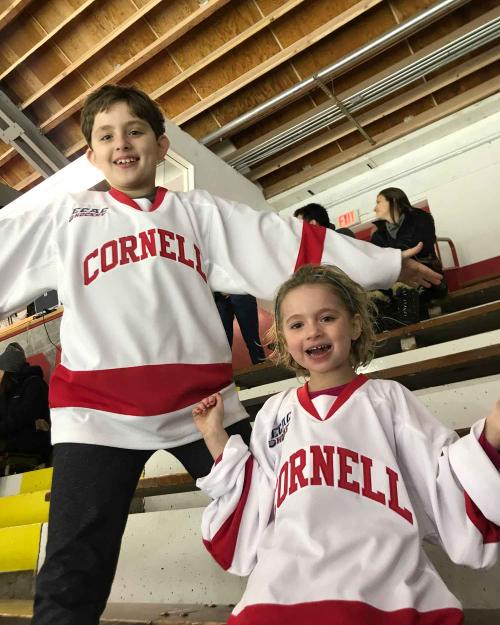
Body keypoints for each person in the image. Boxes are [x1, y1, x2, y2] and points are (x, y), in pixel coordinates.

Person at [0, 84, 441, 625]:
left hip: (204, 408)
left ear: (162, 146)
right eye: (106, 136)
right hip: (98, 415)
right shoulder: (66, 217)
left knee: (281, 514)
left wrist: (387, 264)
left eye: (135, 131)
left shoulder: (199, 213)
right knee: (74, 566)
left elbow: (284, 242)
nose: (122, 144)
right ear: (91, 155)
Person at [193, 264, 500, 625]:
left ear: (354, 325)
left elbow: (440, 473)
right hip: (287, 580)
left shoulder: (388, 398)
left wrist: (492, 434)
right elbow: (256, 500)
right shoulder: (274, 411)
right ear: (283, 339)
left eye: (327, 317)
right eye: (297, 324)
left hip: (380, 576)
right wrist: (216, 438)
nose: (312, 332)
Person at [371, 187, 446, 328]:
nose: (375, 208)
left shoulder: (421, 218)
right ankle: (384, 321)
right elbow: (377, 261)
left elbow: (421, 247)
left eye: (379, 202)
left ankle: (406, 318)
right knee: (372, 286)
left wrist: (393, 261)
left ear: (393, 200)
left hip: (427, 278)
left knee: (402, 271)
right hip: (396, 281)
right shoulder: (377, 235)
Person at [0, 343, 51, 464]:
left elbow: (22, 417)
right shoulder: (6, 391)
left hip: (32, 453)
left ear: (9, 369)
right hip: (11, 452)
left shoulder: (34, 384)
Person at [214, 292, 266, 365]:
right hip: (219, 297)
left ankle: (262, 370)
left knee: (252, 340)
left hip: (240, 293)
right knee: (223, 344)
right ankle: (220, 373)